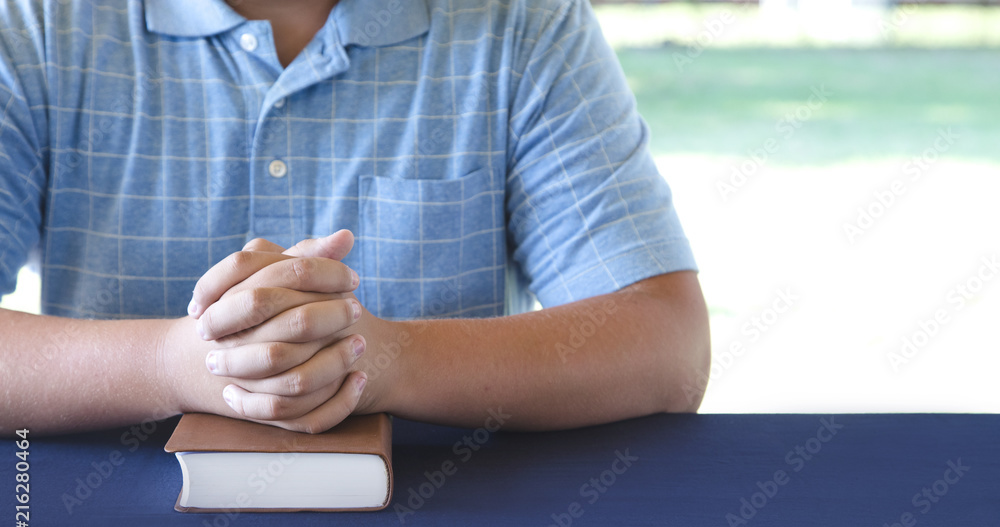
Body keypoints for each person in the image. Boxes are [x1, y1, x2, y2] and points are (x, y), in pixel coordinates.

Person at [0, 0, 710, 435]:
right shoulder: (34, 24)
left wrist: (387, 357)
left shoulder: (522, 21)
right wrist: (175, 365)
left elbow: (667, 346)